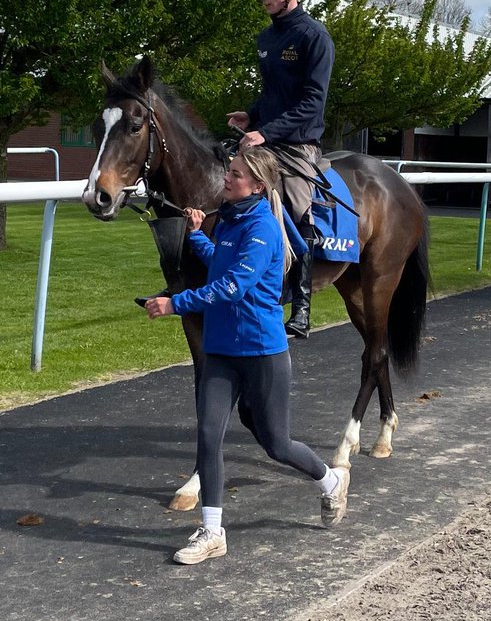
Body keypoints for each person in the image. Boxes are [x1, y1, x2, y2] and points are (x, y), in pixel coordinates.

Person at [144, 147, 350, 565]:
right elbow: (221, 262)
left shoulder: (263, 228)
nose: (226, 178)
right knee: (207, 436)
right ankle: (212, 531)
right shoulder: (233, 219)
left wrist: (175, 303)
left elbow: (233, 286)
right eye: (229, 172)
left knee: (276, 443)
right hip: (220, 351)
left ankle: (330, 481)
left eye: (235, 174)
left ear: (257, 185)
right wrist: (198, 234)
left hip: (261, 354)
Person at [226, 0, 335, 339]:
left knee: (294, 203)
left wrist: (266, 132)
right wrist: (251, 116)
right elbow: (274, 94)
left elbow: (311, 103)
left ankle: (302, 305)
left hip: (298, 146)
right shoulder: (266, 37)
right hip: (265, 139)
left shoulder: (314, 36)